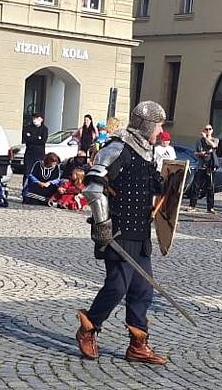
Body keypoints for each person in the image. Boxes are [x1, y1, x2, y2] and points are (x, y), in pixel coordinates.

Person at [76, 100, 167, 365]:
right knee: (117, 287)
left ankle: (138, 345)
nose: (160, 131)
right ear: (147, 125)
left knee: (142, 290)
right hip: (117, 231)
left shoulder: (147, 153)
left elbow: (154, 187)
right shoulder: (118, 148)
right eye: (158, 125)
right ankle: (89, 327)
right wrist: (103, 225)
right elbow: (93, 188)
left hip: (139, 232)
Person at [186, 125, 219, 213]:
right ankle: (192, 206)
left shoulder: (215, 139)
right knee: (196, 186)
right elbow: (195, 152)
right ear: (203, 130)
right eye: (206, 129)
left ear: (212, 130)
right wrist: (200, 153)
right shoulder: (199, 141)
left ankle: (210, 207)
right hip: (201, 166)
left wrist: (206, 138)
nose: (208, 130)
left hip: (210, 167)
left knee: (210, 187)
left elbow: (214, 146)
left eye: (209, 129)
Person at [23, 113, 48, 181]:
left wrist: (32, 138)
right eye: (34, 118)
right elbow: (26, 139)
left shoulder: (44, 129)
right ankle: (26, 189)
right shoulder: (28, 128)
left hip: (39, 154)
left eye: (37, 118)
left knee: (38, 172)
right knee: (27, 173)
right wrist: (37, 138)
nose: (35, 120)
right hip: (29, 154)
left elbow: (43, 141)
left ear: (41, 119)